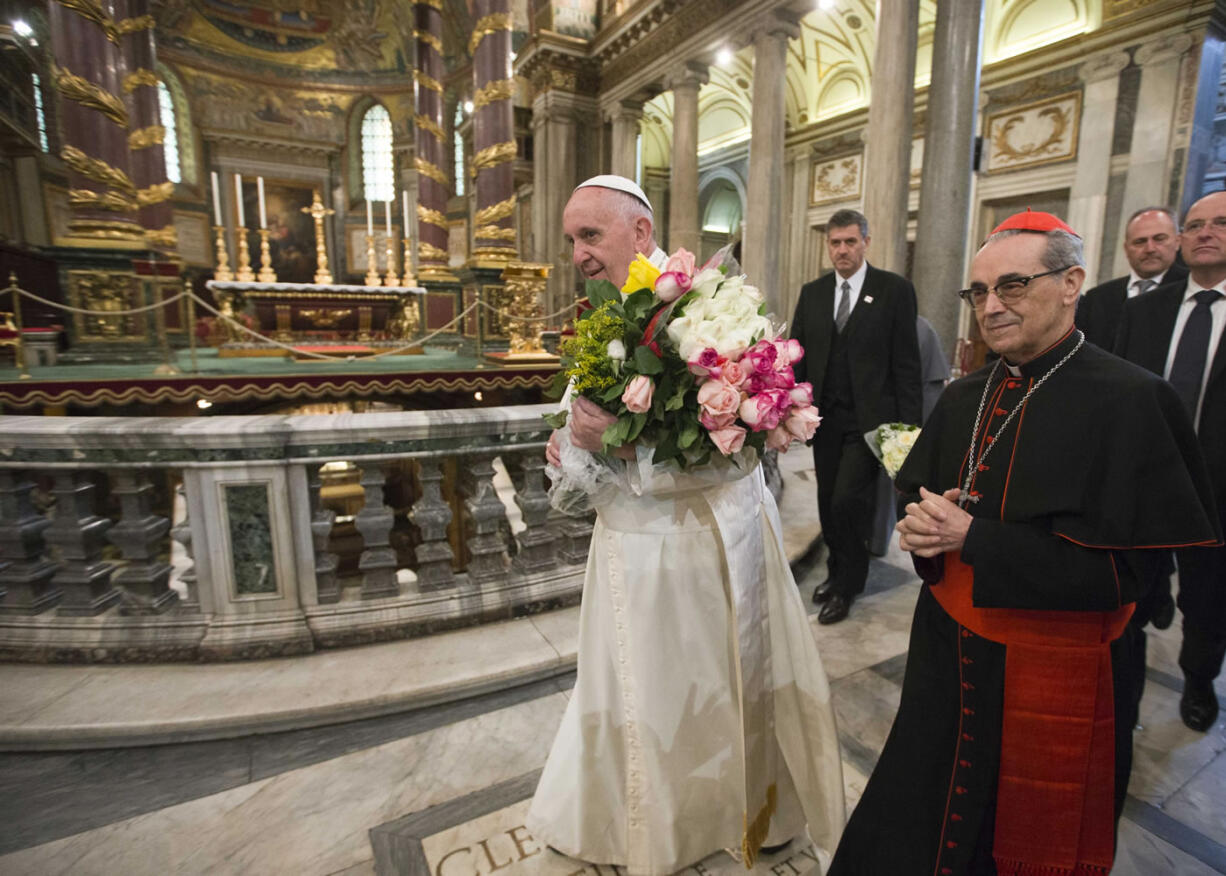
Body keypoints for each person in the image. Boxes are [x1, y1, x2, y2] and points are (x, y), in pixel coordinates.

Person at [828, 209, 1219, 875]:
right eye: (978, 292)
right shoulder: (964, 398)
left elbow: (1131, 579)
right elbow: (923, 507)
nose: (991, 306)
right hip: (946, 657)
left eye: (1012, 286)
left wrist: (978, 538)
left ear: (1071, 282)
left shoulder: (1133, 401)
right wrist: (922, 534)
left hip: (1059, 667)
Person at [528, 175, 845, 875]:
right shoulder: (601, 324)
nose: (577, 253)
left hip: (702, 554)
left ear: (640, 234)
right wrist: (571, 448)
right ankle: (641, 822)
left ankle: (719, 816)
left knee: (702, 693)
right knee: (635, 694)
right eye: (571, 240)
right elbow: (586, 468)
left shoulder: (716, 312)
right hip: (629, 556)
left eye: (590, 235)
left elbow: (740, 455)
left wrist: (618, 441)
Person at [1114, 190, 1226, 733]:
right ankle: (1123, 699)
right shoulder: (1145, 312)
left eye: (1220, 223)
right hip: (1144, 483)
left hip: (1219, 491)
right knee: (1135, 591)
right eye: (1196, 225)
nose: (1206, 233)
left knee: (1208, 598)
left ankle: (1200, 679)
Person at [790, 209, 922, 623]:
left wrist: (909, 433)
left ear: (866, 241)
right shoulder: (812, 293)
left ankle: (848, 585)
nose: (842, 250)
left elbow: (906, 366)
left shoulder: (894, 290)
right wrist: (788, 409)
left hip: (871, 424)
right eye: (835, 242)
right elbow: (797, 356)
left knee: (849, 501)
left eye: (850, 241)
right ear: (827, 245)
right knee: (828, 503)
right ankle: (836, 574)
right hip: (824, 421)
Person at [868, 315, 950, 556]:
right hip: (905, 407)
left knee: (891, 481)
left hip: (914, 411)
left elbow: (927, 384)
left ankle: (879, 541)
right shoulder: (908, 323)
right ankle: (878, 539)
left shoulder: (917, 326)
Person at [1077, 206, 1185, 350]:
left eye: (1159, 239)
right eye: (1140, 242)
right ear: (1126, 248)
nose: (1150, 249)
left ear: (1178, 242)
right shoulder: (1097, 298)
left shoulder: (1191, 291)